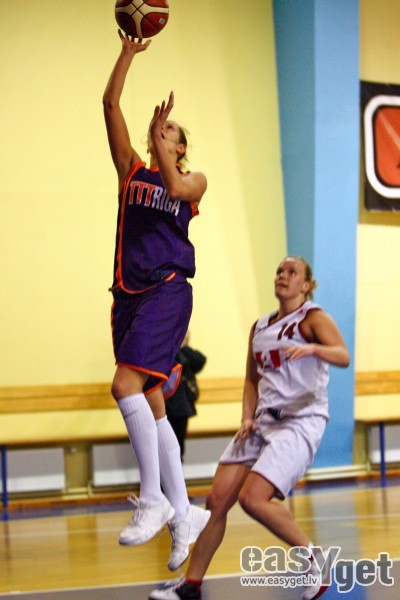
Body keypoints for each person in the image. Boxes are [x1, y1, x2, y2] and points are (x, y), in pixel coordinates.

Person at [148, 256, 350, 600]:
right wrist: (247, 416)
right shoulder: (260, 328)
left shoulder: (313, 318)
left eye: (292, 272)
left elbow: (343, 355)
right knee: (216, 502)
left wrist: (313, 348)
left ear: (306, 285)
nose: (283, 275)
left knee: (253, 499)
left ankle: (314, 558)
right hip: (262, 420)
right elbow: (251, 380)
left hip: (300, 420)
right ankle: (191, 585)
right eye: (279, 271)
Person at [102, 30, 210, 572]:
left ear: (181, 147)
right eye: (158, 128)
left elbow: (175, 189)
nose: (159, 130)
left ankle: (154, 499)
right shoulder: (131, 172)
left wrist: (163, 149)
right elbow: (109, 104)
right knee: (150, 401)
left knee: (124, 385)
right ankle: (185, 513)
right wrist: (128, 54)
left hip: (168, 289)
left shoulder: (193, 180)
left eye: (170, 131)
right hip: (128, 294)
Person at [166, 332, 207, 461]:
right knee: (162, 447)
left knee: (177, 447)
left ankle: (176, 469)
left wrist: (183, 346)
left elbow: (200, 360)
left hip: (180, 406)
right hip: (163, 404)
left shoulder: (184, 353)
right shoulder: (163, 350)